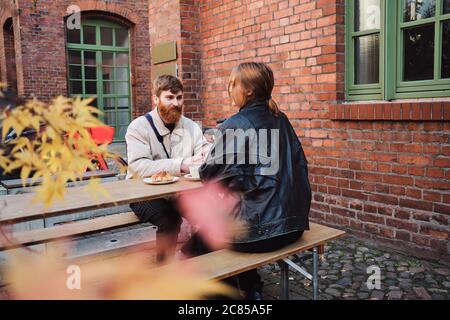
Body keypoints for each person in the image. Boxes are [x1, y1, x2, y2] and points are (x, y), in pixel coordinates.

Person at [189, 62, 312, 299]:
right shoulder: (281, 119)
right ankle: (251, 287)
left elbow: (211, 177)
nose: (228, 88)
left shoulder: (235, 124)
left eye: (233, 83)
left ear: (249, 91)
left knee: (199, 240)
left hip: (262, 233)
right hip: (293, 225)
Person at [125, 75, 209, 263]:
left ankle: (187, 254)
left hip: (178, 192)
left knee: (210, 216)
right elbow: (139, 166)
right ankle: (163, 272)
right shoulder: (137, 127)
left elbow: (204, 149)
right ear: (155, 99)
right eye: (169, 98)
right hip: (143, 193)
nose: (176, 103)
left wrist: (207, 153)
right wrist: (181, 164)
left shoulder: (191, 126)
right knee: (170, 219)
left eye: (179, 98)